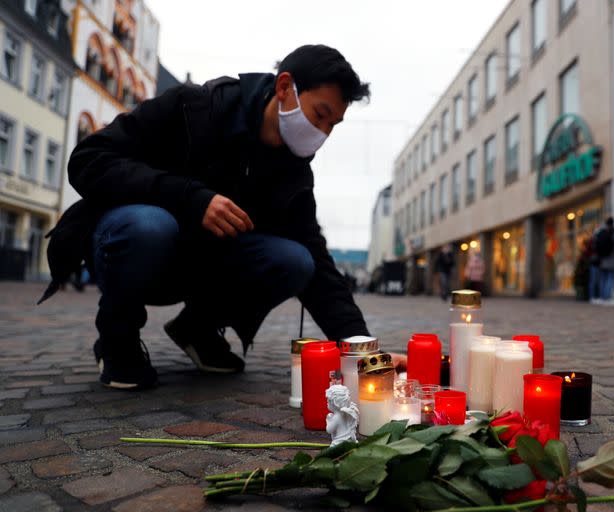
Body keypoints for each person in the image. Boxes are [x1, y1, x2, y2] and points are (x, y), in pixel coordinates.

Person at [39, 45, 372, 389]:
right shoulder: (194, 106)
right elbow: (89, 159)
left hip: (203, 265)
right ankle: (117, 338)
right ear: (285, 87)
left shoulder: (294, 172)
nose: (323, 133)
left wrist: (360, 347)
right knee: (149, 225)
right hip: (136, 246)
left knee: (296, 261)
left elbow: (316, 258)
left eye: (333, 124)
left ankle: (197, 329)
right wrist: (190, 197)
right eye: (320, 114)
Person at [596, 217, 614, 305]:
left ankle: (602, 297)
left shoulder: (601, 232)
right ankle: (607, 297)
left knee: (603, 279)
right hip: (612, 259)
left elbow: (596, 245)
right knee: (610, 278)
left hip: (602, 259)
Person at [588, 225, 602, 305]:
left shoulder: (593, 240)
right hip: (595, 262)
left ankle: (594, 296)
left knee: (595, 280)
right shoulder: (593, 241)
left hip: (595, 262)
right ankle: (593, 296)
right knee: (594, 281)